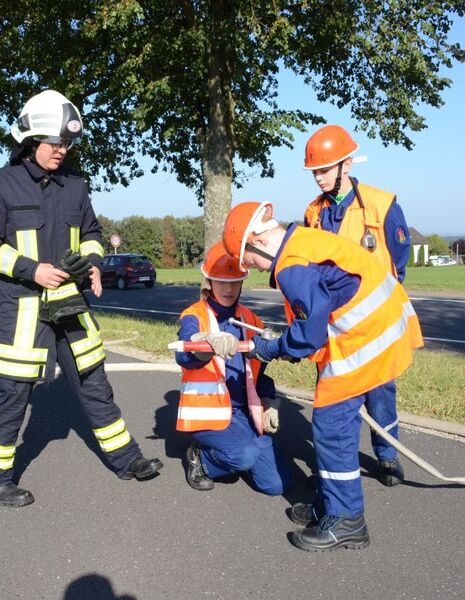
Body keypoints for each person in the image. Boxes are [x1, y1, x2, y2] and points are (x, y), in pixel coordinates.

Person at [0, 90, 162, 508]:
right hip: (22, 308)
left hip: (71, 304)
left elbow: (92, 233)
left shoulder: (75, 185)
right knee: (13, 392)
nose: (62, 150)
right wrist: (31, 269)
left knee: (95, 381)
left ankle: (127, 459)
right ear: (30, 140)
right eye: (55, 143)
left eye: (67, 143)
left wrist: (93, 262)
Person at [222, 201, 423, 551]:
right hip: (379, 328)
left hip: (368, 339)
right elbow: (320, 310)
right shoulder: (302, 240)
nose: (252, 270)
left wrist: (268, 349)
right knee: (333, 423)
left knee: (331, 427)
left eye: (249, 261)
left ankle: (347, 521)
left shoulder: (291, 266)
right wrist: (292, 343)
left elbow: (308, 335)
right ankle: (333, 504)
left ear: (257, 241)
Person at [302, 124, 412, 486]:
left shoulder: (382, 205)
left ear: (346, 165)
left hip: (375, 327)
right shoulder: (313, 214)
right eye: (314, 171)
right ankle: (336, 466)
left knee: (381, 395)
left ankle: (388, 456)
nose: (318, 178)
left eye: (324, 169)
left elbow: (399, 264)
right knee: (335, 399)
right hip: (334, 329)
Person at [175, 241, 291, 495]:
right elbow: (184, 354)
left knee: (277, 484)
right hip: (208, 416)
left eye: (234, 281)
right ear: (208, 281)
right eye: (220, 281)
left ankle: (238, 451)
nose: (228, 288)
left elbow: (257, 372)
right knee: (245, 456)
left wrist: (270, 402)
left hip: (242, 414)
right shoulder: (194, 315)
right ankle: (201, 459)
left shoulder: (250, 320)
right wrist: (204, 343)